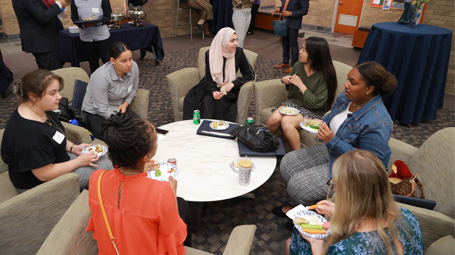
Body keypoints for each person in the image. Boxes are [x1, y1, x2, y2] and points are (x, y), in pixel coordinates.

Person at [274, 61, 397, 229]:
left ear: (369, 89)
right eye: (348, 79)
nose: (346, 85)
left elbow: (370, 163)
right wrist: (322, 122)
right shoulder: (347, 98)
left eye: (353, 83)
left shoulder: (378, 122)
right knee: (288, 162)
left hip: (354, 170)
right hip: (334, 150)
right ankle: (306, 207)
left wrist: (332, 140)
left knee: (298, 186)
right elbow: (334, 115)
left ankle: (315, 213)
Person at [86, 113, 190, 254]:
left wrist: (141, 170)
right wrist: (172, 195)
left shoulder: (96, 179)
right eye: (156, 141)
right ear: (146, 156)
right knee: (182, 205)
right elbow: (174, 232)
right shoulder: (161, 192)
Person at [287, 150, 424, 254]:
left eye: (334, 185)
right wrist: (342, 215)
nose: (334, 190)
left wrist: (316, 244)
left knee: (291, 243)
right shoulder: (408, 217)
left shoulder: (344, 249)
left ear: (349, 196)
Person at [1, 69, 112, 192]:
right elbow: (44, 174)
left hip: (53, 159)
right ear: (33, 96)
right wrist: (79, 162)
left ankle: (95, 190)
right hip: (38, 184)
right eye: (53, 93)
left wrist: (73, 147)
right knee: (106, 166)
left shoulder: (39, 108)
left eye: (58, 91)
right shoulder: (28, 135)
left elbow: (54, 134)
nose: (59, 97)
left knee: (101, 156)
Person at [266, 37, 337, 151]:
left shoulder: (325, 75)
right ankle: (266, 145)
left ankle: (296, 156)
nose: (300, 52)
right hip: (294, 104)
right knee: (274, 119)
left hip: (313, 110)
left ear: (314, 54)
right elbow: (292, 93)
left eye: (304, 49)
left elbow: (316, 103)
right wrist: (286, 81)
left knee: (287, 121)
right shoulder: (298, 66)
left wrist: (301, 85)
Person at [183, 27, 255, 122]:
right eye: (232, 40)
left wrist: (233, 84)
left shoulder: (238, 53)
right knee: (196, 99)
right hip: (211, 85)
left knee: (218, 102)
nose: (236, 43)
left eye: (236, 40)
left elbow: (250, 75)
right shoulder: (210, 54)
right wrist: (213, 91)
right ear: (223, 41)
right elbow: (209, 78)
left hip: (230, 89)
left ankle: (220, 131)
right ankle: (202, 130)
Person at [82, 42, 139, 140]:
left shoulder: (133, 67)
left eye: (130, 59)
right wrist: (121, 122)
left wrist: (126, 103)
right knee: (118, 137)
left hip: (118, 107)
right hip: (95, 113)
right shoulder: (101, 77)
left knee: (142, 128)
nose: (129, 64)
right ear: (113, 60)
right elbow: (101, 109)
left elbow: (133, 89)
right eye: (123, 61)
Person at [12, 0, 67, 70]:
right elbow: (43, 17)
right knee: (53, 73)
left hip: (44, 41)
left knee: (47, 71)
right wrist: (59, 4)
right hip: (43, 42)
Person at [71, 0, 112, 74]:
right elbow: (74, 18)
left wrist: (97, 23)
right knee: (92, 62)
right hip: (86, 36)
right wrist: (83, 24)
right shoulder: (75, 1)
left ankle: (111, 79)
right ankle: (95, 80)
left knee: (107, 60)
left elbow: (107, 16)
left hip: (101, 35)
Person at [272, 0, 309, 74]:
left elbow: (304, 10)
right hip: (284, 23)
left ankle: (293, 66)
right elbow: (285, 6)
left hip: (294, 23)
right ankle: (285, 62)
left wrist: (290, 13)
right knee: (284, 43)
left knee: (293, 45)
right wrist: (279, 8)